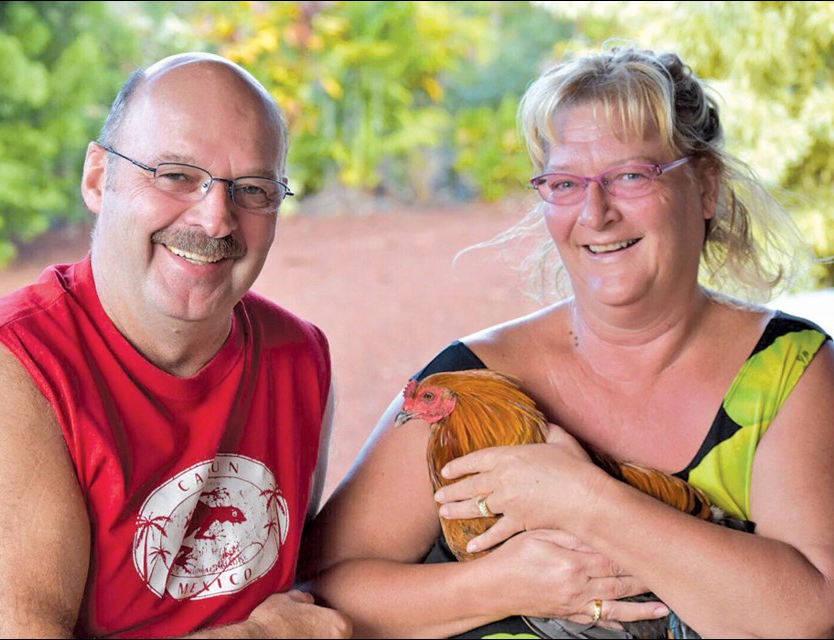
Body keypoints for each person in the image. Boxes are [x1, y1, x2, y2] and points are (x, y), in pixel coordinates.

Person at [298, 44, 834, 638]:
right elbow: (319, 591)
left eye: (631, 175)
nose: (595, 212)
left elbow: (810, 616)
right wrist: (502, 584)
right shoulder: (470, 379)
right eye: (565, 183)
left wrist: (582, 499)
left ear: (705, 188)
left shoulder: (788, 368)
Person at [0, 53, 351, 639]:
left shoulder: (298, 357)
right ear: (99, 177)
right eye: (176, 175)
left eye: (252, 189)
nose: (215, 219)